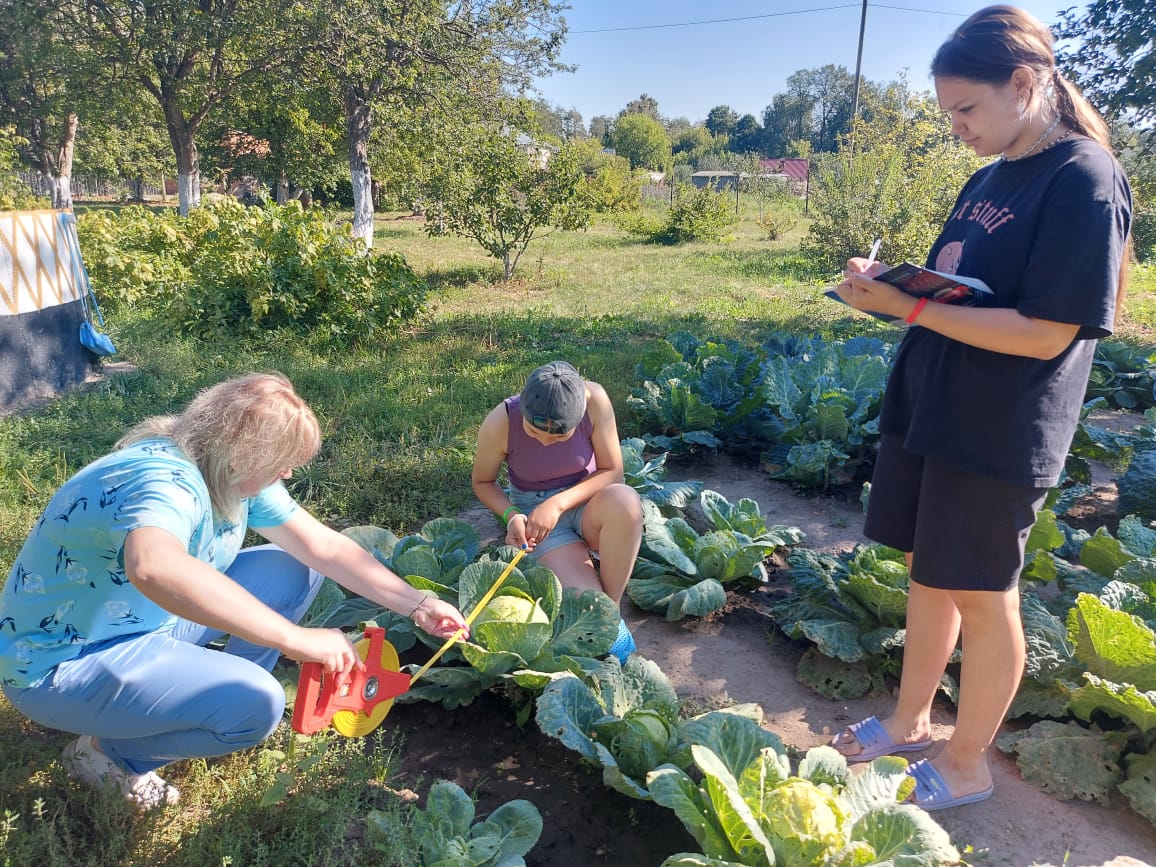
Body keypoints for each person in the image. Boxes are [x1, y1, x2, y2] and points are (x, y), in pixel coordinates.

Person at [829, 5, 1132, 811]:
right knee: (931, 576)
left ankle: (968, 763)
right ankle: (912, 717)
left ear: (1025, 84)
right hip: (938, 404)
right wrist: (890, 286)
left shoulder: (1084, 178)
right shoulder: (988, 175)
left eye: (965, 109)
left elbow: (1046, 333)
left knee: (982, 591)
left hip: (1003, 427)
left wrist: (912, 311)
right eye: (947, 113)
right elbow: (958, 286)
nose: (955, 126)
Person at [0, 373, 468, 809]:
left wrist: (419, 604)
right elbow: (153, 567)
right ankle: (108, 755)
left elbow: (322, 546)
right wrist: (294, 638)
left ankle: (211, 707)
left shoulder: (223, 469)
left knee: (294, 569)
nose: (286, 474)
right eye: (281, 463)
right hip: (63, 662)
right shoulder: (164, 482)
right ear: (243, 453)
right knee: (258, 703)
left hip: (140, 622)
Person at [471, 361, 643, 662]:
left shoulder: (596, 401)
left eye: (559, 436)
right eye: (534, 431)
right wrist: (512, 515)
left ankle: (611, 609)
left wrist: (559, 503)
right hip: (537, 516)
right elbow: (483, 482)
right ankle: (598, 606)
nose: (545, 440)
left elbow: (612, 471)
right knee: (591, 616)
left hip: (589, 498)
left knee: (626, 502)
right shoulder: (501, 420)